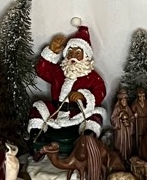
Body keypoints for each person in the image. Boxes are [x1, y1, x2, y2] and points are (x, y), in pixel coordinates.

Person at [28, 19, 107, 155]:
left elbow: (100, 92)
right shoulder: (59, 72)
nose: (73, 56)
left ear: (86, 56)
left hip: (79, 113)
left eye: (77, 53)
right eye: (70, 52)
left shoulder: (92, 76)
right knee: (39, 107)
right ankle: (37, 135)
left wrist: (83, 96)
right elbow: (42, 71)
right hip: (56, 111)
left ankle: (88, 137)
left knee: (96, 114)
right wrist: (51, 51)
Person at [110, 89, 135, 164]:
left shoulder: (127, 108)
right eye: (123, 100)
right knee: (120, 143)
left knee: (127, 143)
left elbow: (131, 117)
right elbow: (112, 119)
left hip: (126, 129)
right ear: (120, 101)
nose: (124, 102)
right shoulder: (117, 108)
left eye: (125, 100)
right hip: (120, 130)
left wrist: (133, 117)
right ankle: (120, 159)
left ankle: (127, 158)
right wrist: (119, 117)